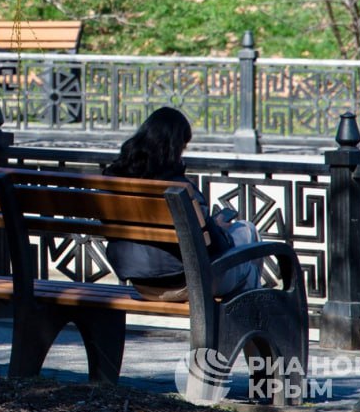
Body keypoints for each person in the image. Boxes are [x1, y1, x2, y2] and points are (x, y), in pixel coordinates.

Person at [103, 106, 261, 300]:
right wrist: (220, 230)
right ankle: (254, 317)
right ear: (175, 147)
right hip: (187, 283)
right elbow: (215, 247)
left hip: (141, 284)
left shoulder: (114, 182)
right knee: (247, 235)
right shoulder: (179, 189)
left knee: (242, 258)